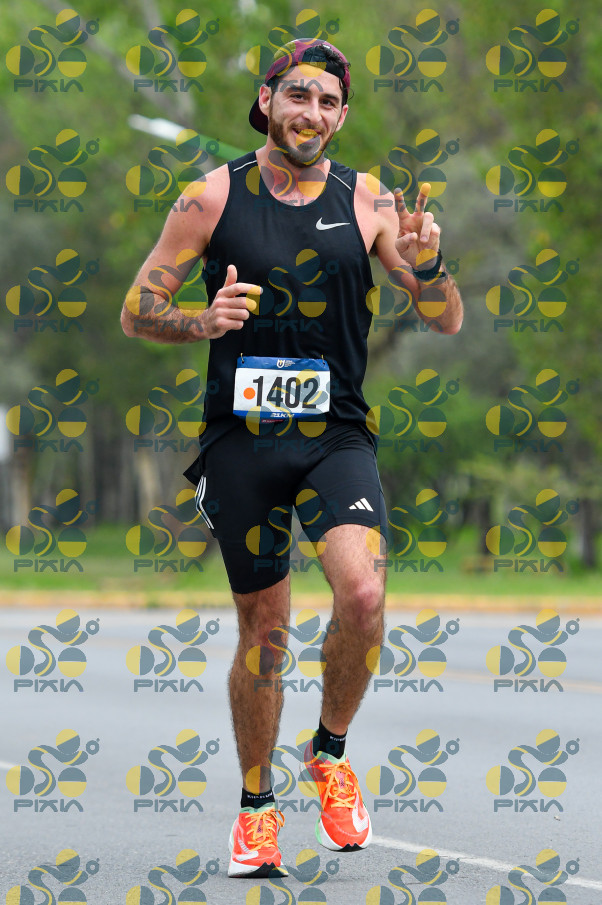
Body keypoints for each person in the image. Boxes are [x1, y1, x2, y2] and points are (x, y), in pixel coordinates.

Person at [121, 38, 463, 879]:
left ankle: (330, 751)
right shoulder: (209, 196)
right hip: (241, 441)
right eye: (299, 96)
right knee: (265, 630)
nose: (312, 114)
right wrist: (200, 322)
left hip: (335, 435)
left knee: (364, 592)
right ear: (268, 99)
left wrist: (430, 264)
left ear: (342, 117)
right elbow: (137, 309)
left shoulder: (369, 200)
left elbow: (444, 316)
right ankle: (255, 807)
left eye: (329, 102)